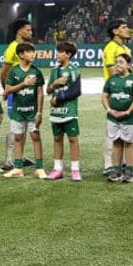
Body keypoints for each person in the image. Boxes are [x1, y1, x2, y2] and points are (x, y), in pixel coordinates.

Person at [2, 41, 46, 179]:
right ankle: (18, 168)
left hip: (33, 111)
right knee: (18, 138)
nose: (33, 54)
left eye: (33, 51)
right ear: (21, 55)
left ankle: (39, 168)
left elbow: (40, 93)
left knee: (35, 137)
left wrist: (39, 112)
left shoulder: (36, 71)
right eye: (29, 52)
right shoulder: (14, 71)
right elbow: (7, 90)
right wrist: (24, 84)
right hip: (18, 111)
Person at [102, 53, 133, 183]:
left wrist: (128, 112)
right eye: (116, 62)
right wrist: (109, 110)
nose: (117, 65)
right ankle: (117, 170)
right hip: (113, 118)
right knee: (116, 142)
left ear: (128, 65)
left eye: (121, 62)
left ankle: (129, 171)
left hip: (129, 119)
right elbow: (104, 96)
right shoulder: (111, 79)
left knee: (128, 143)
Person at [0, 19, 34, 168]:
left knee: (24, 125)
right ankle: (8, 160)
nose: (30, 32)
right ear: (19, 31)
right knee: (15, 125)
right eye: (28, 30)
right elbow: (4, 73)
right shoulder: (13, 48)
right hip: (16, 93)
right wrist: (7, 91)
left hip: (27, 93)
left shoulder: (27, 48)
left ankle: (21, 156)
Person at [46, 41, 83, 182]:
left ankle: (75, 170)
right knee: (57, 139)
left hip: (70, 111)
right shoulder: (54, 71)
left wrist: (59, 98)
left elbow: (76, 91)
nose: (57, 54)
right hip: (55, 112)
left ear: (68, 54)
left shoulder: (74, 70)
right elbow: (48, 90)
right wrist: (54, 84)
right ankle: (57, 169)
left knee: (73, 139)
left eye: (60, 52)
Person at [101, 19, 133, 174]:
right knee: (112, 129)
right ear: (115, 31)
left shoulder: (126, 48)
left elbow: (129, 71)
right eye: (124, 27)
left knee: (125, 128)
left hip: (126, 92)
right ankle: (108, 165)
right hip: (114, 92)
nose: (128, 29)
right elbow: (113, 73)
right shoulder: (111, 48)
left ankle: (124, 163)